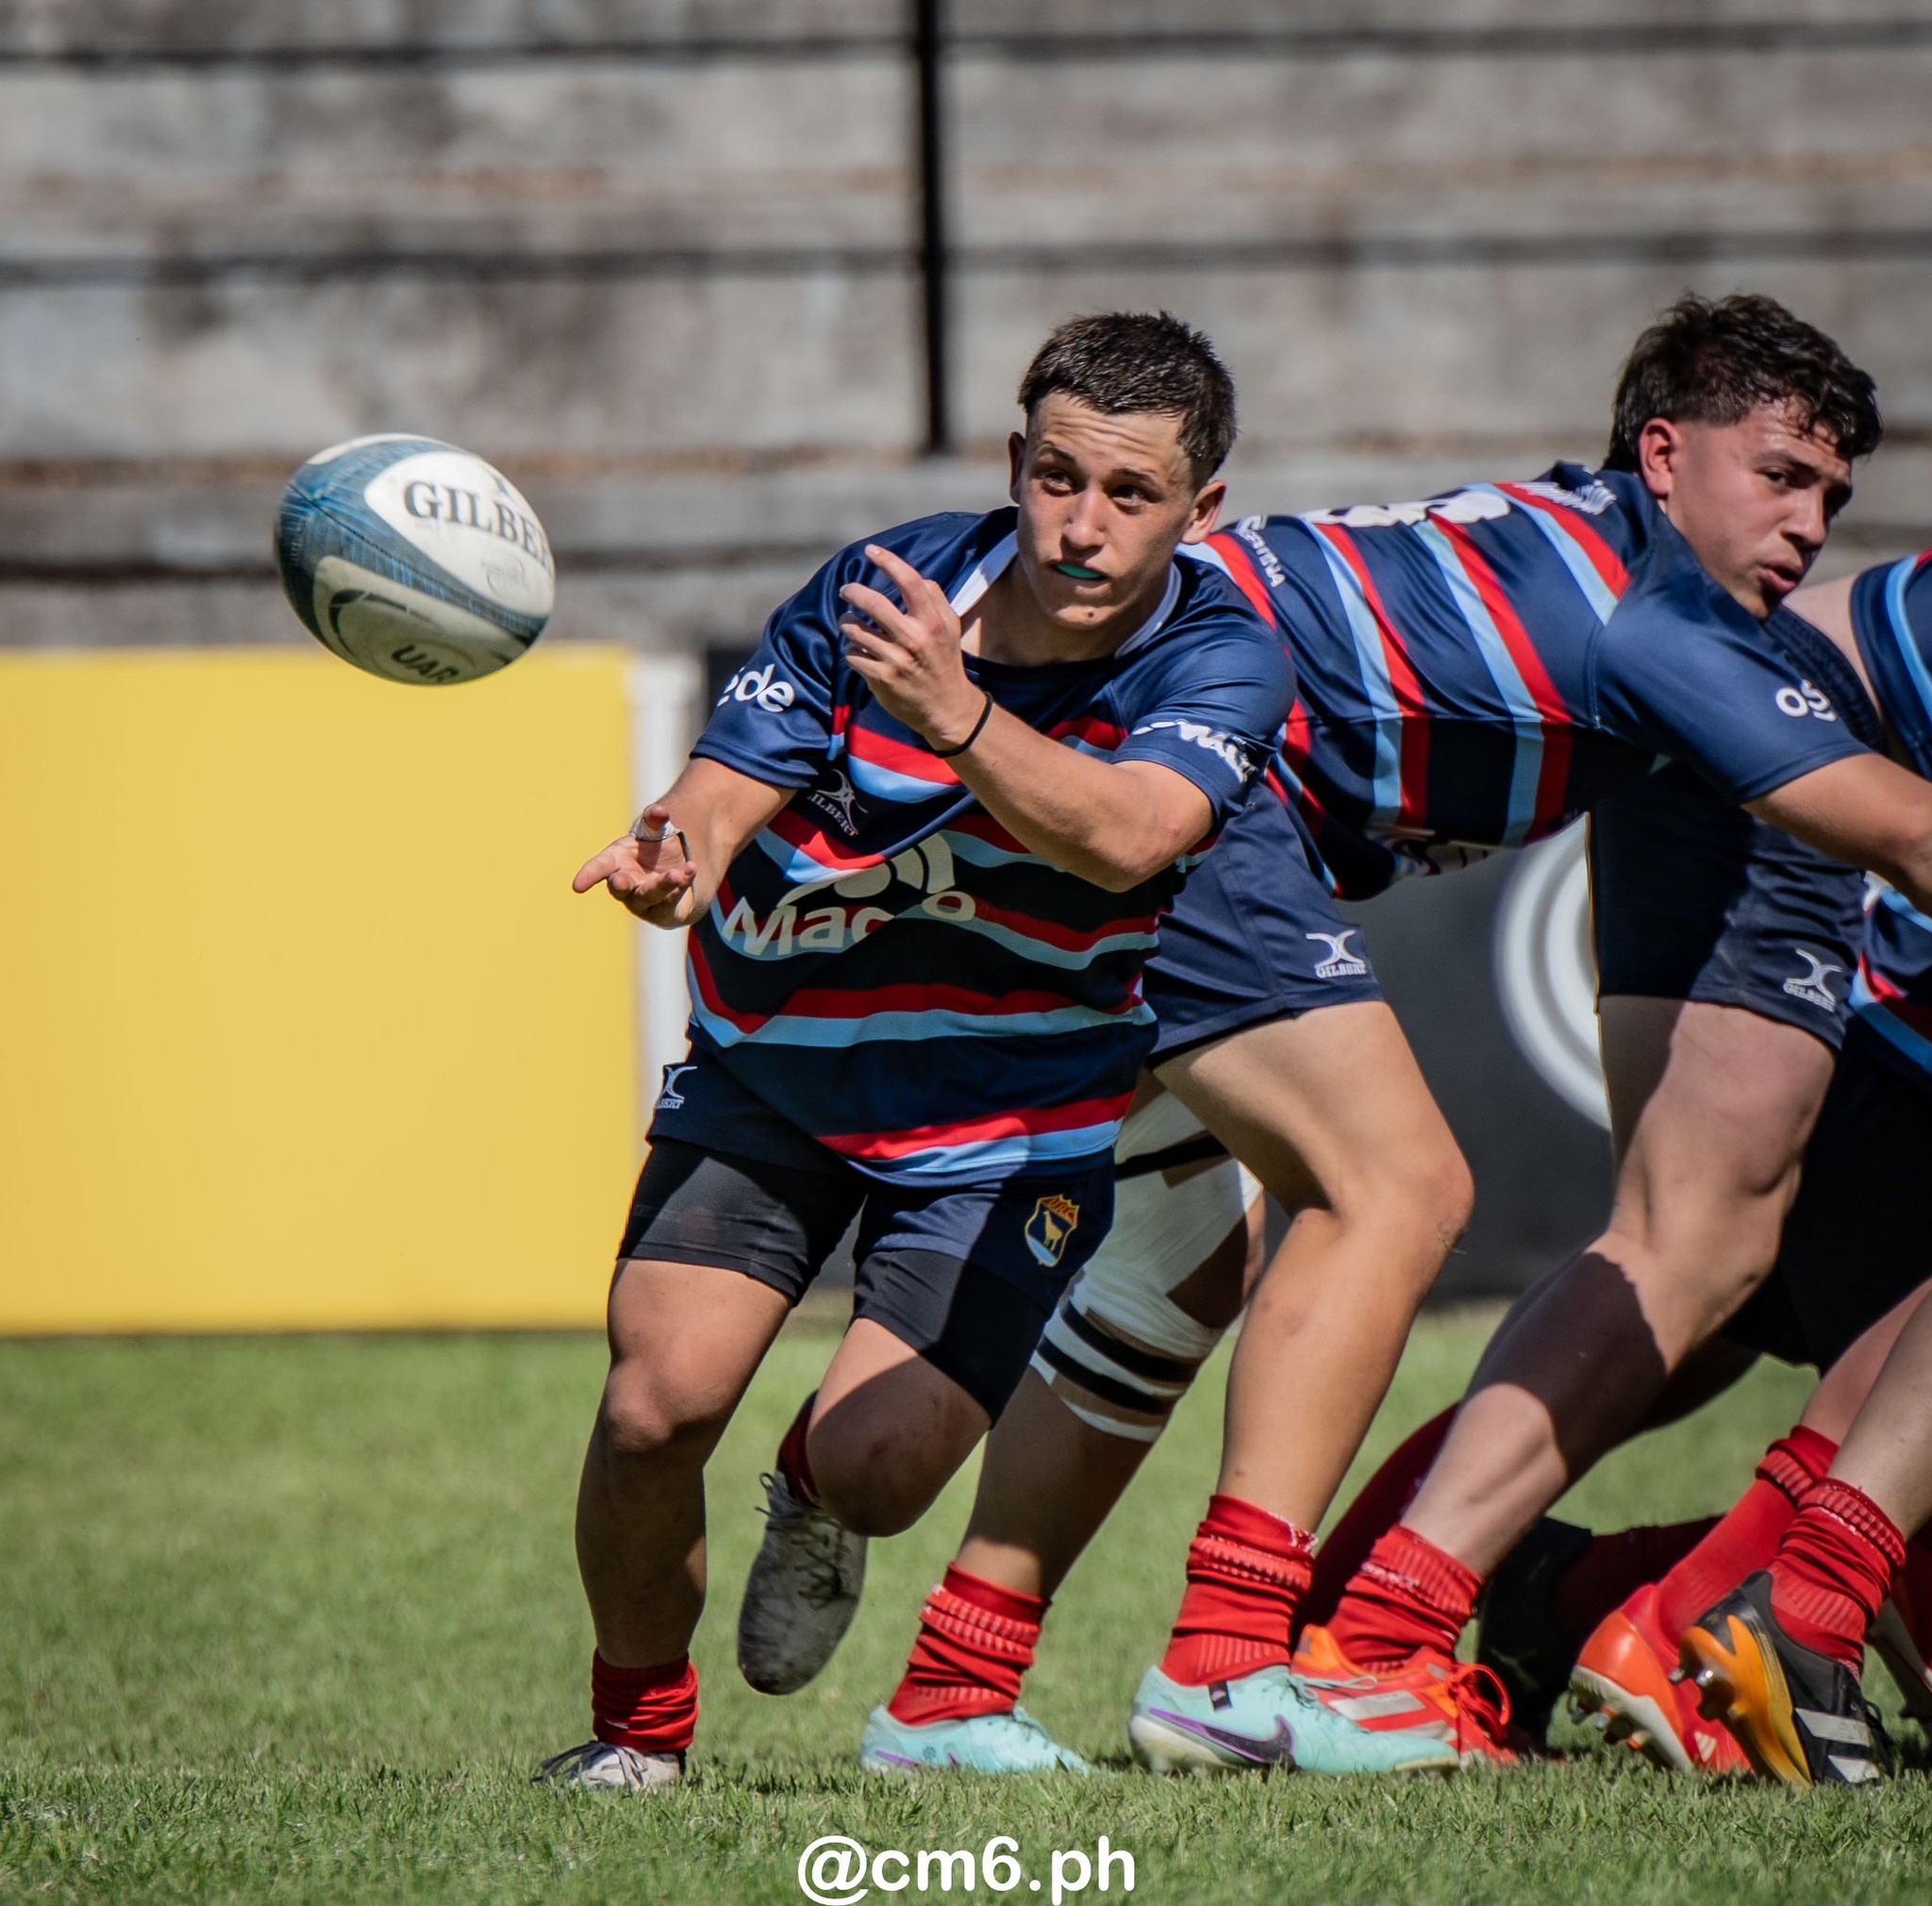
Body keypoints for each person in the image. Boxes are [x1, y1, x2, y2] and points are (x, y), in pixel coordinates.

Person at [854, 294, 1932, 1777]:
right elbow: (1909, 835)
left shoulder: (1595, 539)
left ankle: (947, 1692)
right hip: (1179, 762)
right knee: (1396, 1188)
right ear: (1666, 455)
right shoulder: (1657, 616)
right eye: (1782, 477)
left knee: (1184, 1275)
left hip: (1122, 733)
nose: (1811, 525)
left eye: (1834, 496)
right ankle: (1247, 1669)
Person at [532, 311, 1293, 1790]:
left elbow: (1128, 836)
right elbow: (723, 788)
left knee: (882, 1479)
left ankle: (812, 1497)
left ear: (1201, 513)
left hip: (1017, 1114)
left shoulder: (1222, 662)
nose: (1080, 526)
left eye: (1129, 497)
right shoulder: (884, 594)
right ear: (1016, 462)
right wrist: (671, 860)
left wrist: (955, 717)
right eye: (1056, 478)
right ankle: (637, 1741)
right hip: (783, 1064)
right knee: (649, 1410)